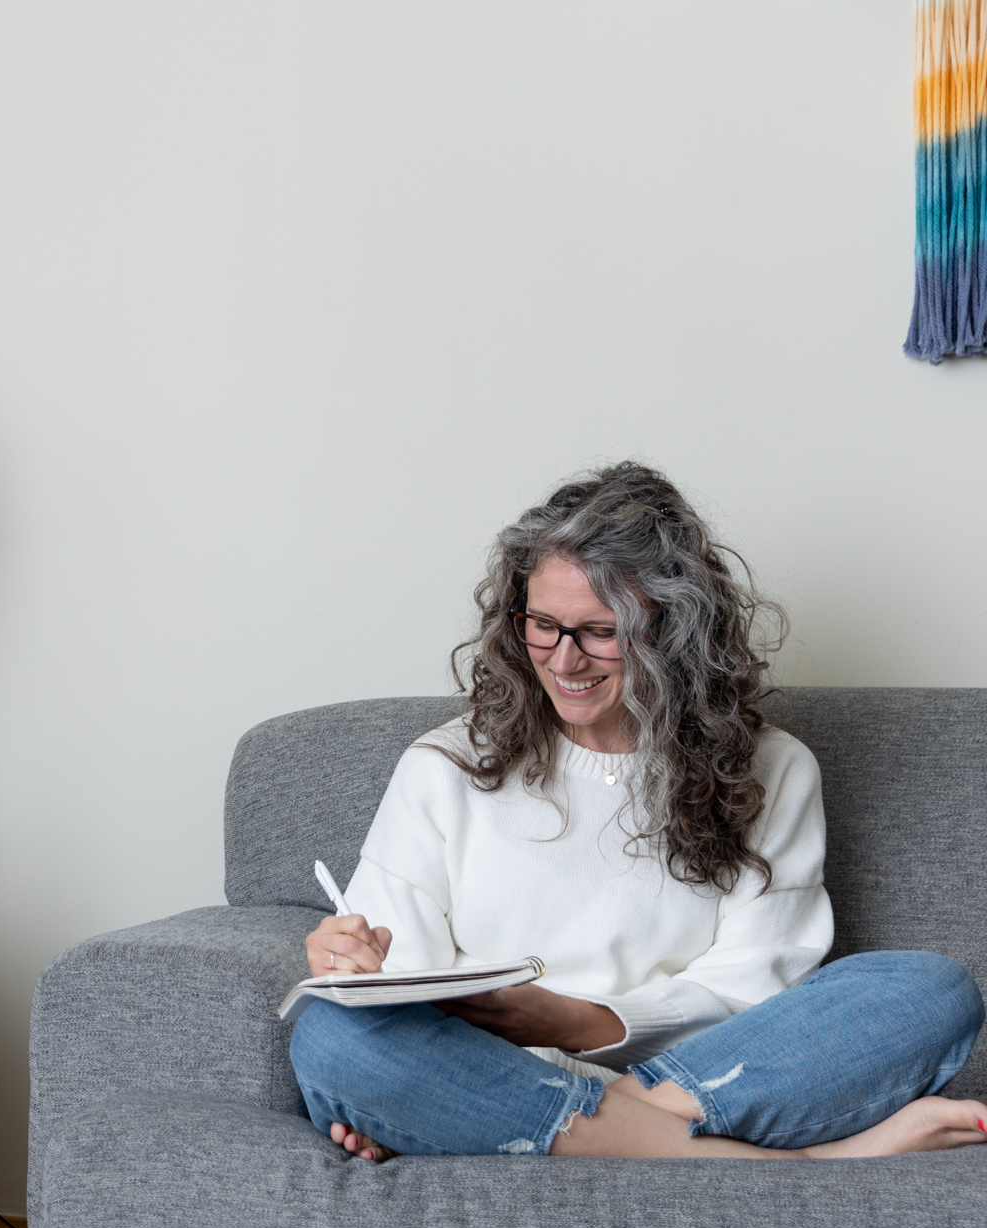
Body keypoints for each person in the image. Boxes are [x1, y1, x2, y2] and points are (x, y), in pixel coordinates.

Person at [293, 462, 986, 1163]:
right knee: (331, 1038)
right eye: (542, 624)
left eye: (600, 631)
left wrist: (574, 1023)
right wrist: (355, 967)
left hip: (698, 1080)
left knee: (930, 992)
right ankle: (789, 1166)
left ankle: (609, 1128)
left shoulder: (774, 769)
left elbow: (757, 988)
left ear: (676, 630)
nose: (565, 660)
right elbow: (400, 984)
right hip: (497, 1071)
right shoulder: (443, 767)